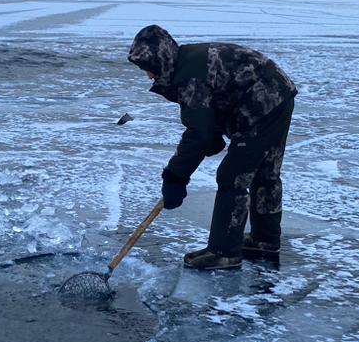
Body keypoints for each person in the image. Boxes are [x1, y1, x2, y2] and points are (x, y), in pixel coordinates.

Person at [127, 25, 296, 270]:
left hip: (263, 104)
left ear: (161, 59)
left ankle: (224, 251)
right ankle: (264, 240)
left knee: (232, 176)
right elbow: (215, 103)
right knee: (264, 173)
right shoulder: (186, 62)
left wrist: (175, 177)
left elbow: (197, 134)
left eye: (148, 68)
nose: (148, 75)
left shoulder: (189, 76)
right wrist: (212, 135)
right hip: (277, 95)